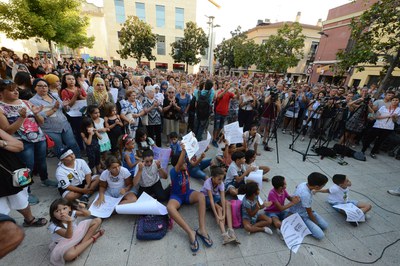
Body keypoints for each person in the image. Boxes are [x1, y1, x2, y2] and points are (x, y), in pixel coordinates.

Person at [0, 80, 57, 205]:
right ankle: (26, 191)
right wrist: (21, 117)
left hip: (39, 137)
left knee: (41, 161)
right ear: (1, 93)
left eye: (16, 89)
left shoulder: (25, 102)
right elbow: (7, 131)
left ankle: (45, 179)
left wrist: (36, 114)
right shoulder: (1, 108)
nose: (16, 92)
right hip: (22, 142)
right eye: (11, 89)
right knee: (27, 167)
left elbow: (40, 122)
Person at [167, 143, 212, 253]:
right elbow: (178, 164)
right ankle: (190, 232)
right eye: (183, 163)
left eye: (185, 163)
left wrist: (202, 154)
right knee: (170, 208)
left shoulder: (186, 166)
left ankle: (202, 229)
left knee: (201, 196)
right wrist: (183, 150)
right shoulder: (173, 171)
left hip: (188, 194)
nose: (185, 165)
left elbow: (194, 163)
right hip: (176, 196)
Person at [0, 128, 48, 227]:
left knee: (22, 199)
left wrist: (1, 143)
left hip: (15, 171)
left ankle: (29, 219)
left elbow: (19, 146)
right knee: (2, 211)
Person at [29, 78, 81, 158]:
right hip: (50, 129)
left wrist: (65, 105)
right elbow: (40, 116)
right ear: (35, 87)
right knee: (59, 149)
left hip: (64, 125)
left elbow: (64, 108)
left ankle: (79, 162)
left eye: (45, 86)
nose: (44, 88)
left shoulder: (53, 96)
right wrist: (54, 109)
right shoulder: (33, 101)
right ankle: (66, 167)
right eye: (40, 86)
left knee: (73, 144)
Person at [48, 198, 104, 265]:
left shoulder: (72, 213)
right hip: (64, 242)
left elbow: (88, 214)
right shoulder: (53, 226)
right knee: (69, 256)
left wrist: (81, 209)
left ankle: (80, 245)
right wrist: (69, 222)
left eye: (64, 208)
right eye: (57, 211)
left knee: (97, 220)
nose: (62, 212)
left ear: (70, 208)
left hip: (76, 233)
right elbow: (68, 236)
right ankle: (94, 237)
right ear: (53, 215)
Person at [200, 166, 239, 245]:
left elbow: (222, 197)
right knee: (219, 208)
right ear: (213, 178)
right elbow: (211, 200)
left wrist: (224, 214)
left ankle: (231, 231)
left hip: (215, 196)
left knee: (227, 203)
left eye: (222, 179)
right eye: (219, 179)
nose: (221, 181)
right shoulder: (208, 182)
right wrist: (217, 215)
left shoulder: (221, 183)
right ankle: (224, 235)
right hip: (206, 198)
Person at [288, 172, 329, 240]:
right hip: (300, 214)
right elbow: (309, 212)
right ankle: (301, 225)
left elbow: (297, 186)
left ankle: (309, 224)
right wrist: (315, 223)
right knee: (320, 235)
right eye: (323, 185)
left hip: (305, 210)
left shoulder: (304, 183)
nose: (323, 187)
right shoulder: (305, 195)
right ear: (316, 187)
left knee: (325, 226)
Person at [212, 80, 237, 147]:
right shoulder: (220, 91)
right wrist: (226, 89)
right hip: (218, 112)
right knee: (216, 127)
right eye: (226, 84)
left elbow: (235, 97)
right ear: (223, 85)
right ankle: (214, 140)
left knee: (220, 127)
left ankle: (216, 137)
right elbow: (219, 97)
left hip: (225, 113)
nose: (227, 86)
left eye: (228, 84)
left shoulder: (229, 93)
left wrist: (237, 90)